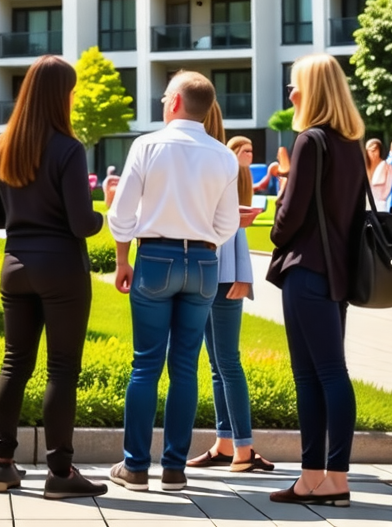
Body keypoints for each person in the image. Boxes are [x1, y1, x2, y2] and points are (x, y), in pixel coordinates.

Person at [103, 71, 242, 492]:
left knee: (146, 364)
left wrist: (123, 259)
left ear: (176, 102)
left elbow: (122, 214)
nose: (163, 102)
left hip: (155, 257)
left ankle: (136, 467)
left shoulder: (147, 145)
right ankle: (175, 469)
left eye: (166, 97)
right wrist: (202, 247)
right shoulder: (224, 156)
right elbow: (228, 223)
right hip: (202, 262)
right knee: (186, 367)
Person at [0, 55, 108, 499]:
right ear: (62, 96)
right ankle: (59, 472)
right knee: (62, 370)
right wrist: (102, 215)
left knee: (14, 363)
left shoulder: (1, 147)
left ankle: (3, 465)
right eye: (72, 90)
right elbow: (80, 223)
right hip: (62, 269)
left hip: (15, 266)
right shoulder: (69, 149)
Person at [265, 54, 366, 507]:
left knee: (317, 375)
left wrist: (275, 218)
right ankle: (316, 478)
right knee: (324, 374)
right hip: (339, 275)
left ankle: (330, 477)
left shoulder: (311, 141)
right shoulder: (351, 144)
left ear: (314, 91)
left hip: (306, 271)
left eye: (295, 86)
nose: (290, 95)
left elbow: (290, 217)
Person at [185, 122, 275, 474]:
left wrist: (242, 276)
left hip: (221, 276)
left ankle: (243, 448)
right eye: (245, 151)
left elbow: (233, 226)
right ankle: (227, 444)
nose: (248, 157)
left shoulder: (225, 169)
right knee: (219, 365)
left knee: (227, 363)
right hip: (214, 274)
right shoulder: (219, 166)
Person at [366, 139, 392, 207]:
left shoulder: (387, 166)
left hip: (380, 202)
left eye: (375, 150)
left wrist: (382, 199)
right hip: (366, 200)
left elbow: (389, 185)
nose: (373, 153)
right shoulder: (364, 167)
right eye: (370, 150)